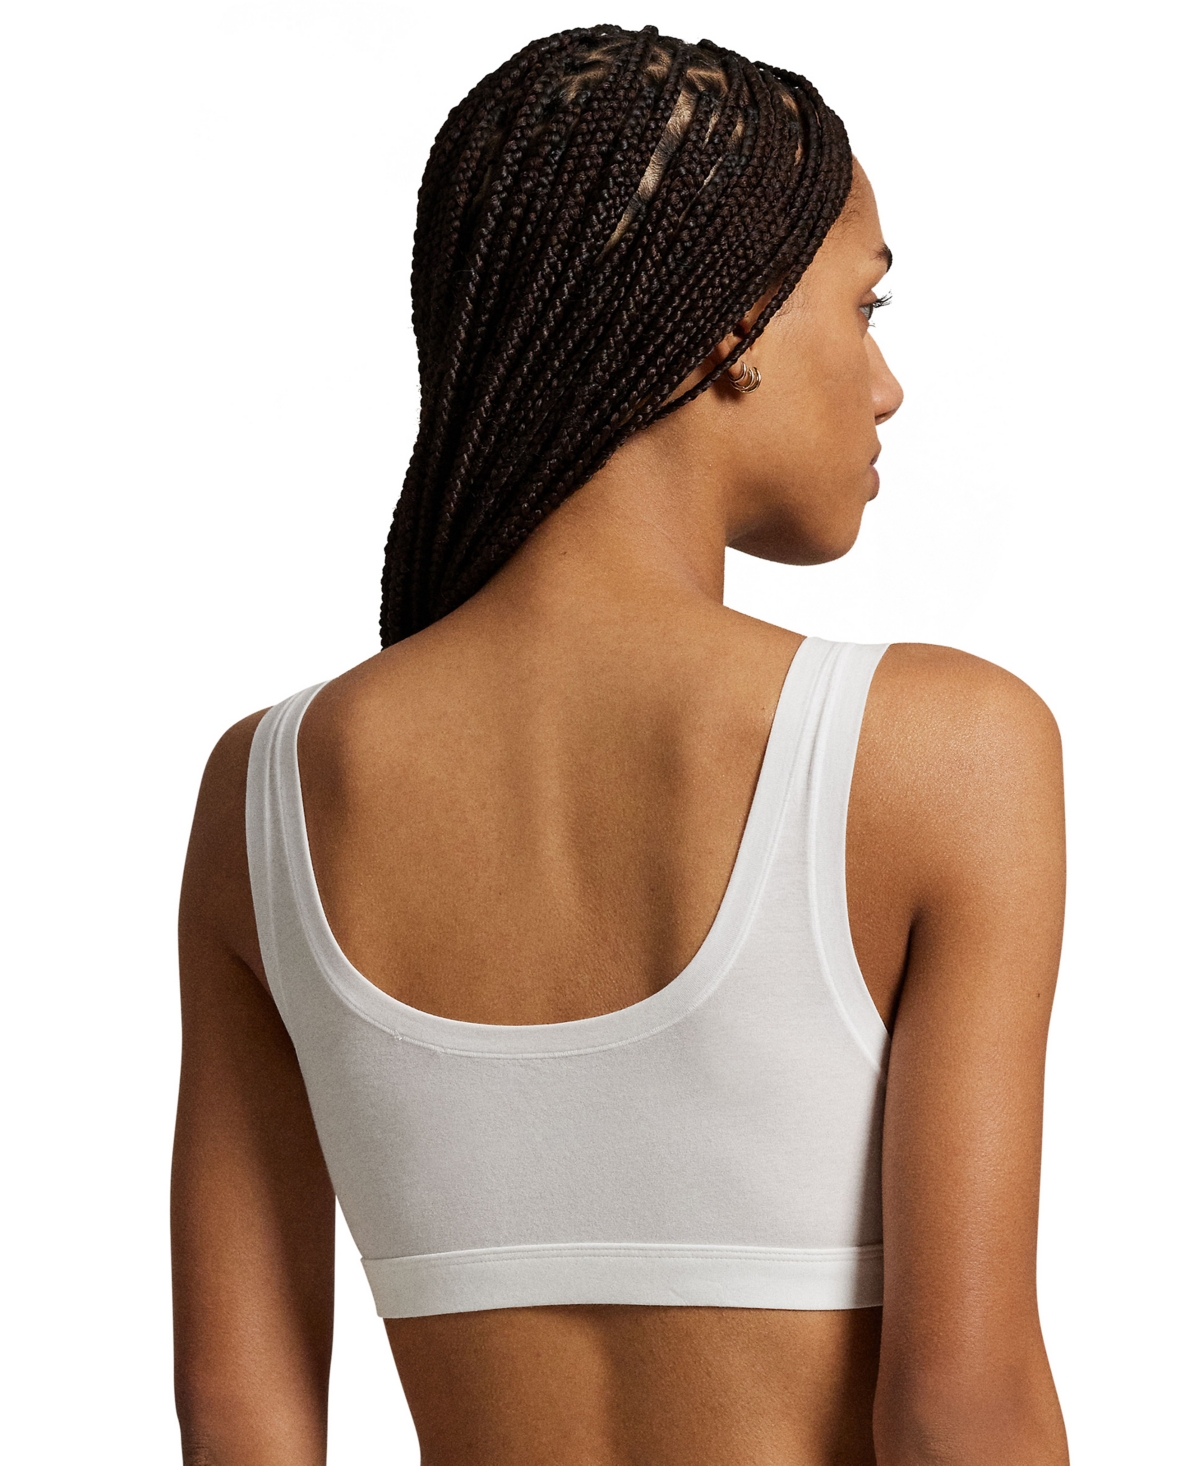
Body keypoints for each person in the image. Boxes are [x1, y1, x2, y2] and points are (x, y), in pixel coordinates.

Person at [171, 25, 1069, 1466]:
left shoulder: (267, 795)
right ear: (732, 326)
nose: (887, 383)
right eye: (866, 306)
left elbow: (242, 1421)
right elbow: (961, 1407)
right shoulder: (936, 751)